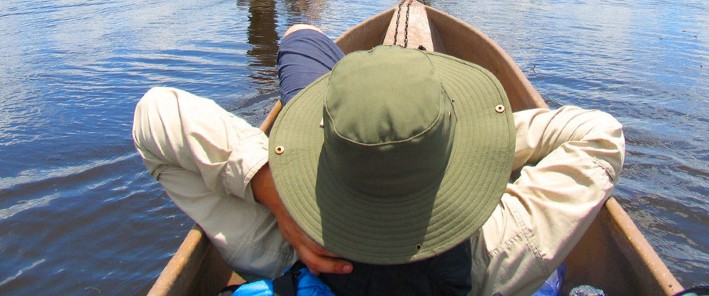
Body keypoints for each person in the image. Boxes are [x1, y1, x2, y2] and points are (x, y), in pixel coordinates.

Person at [132, 26, 624, 295]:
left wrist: (271, 189)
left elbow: (155, 115)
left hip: (303, 234)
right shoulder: (494, 261)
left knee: (301, 35)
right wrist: (477, 137)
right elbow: (600, 134)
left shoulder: (278, 244)